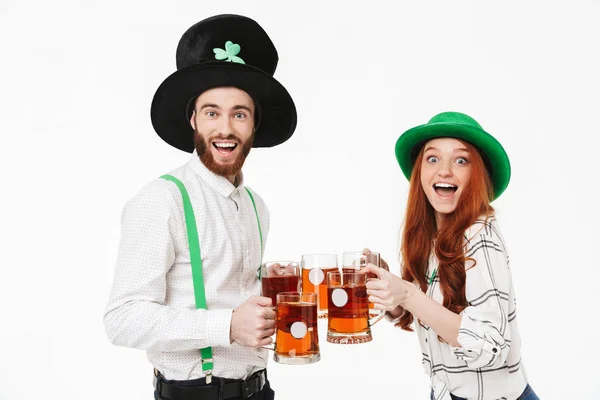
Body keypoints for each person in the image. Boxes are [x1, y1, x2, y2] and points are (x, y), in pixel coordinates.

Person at [103, 14, 297, 400]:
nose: (225, 128)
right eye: (212, 112)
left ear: (254, 124)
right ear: (193, 119)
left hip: (260, 391)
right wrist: (226, 326)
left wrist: (267, 282)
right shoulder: (162, 200)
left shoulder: (256, 206)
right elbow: (122, 320)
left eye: (239, 114)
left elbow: (226, 288)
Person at [362, 112, 538, 400]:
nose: (444, 170)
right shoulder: (429, 238)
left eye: (460, 160)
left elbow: (491, 346)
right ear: (420, 173)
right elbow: (430, 315)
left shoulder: (479, 236)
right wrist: (389, 289)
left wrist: (406, 294)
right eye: (432, 159)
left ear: (478, 174)